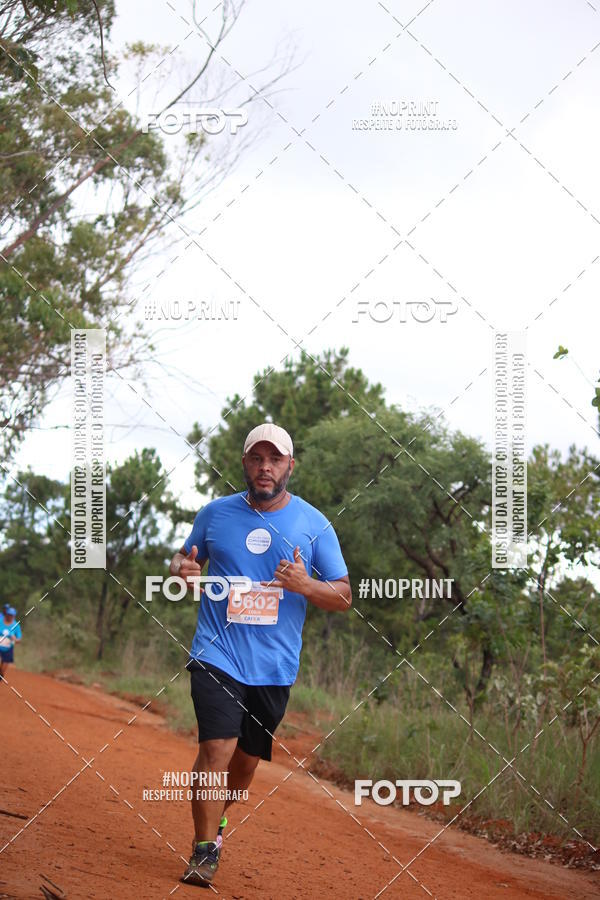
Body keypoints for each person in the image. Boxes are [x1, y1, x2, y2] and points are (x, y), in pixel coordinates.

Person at [169, 423, 352, 886]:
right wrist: (181, 570)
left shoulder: (314, 524)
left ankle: (219, 819)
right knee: (217, 747)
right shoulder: (215, 514)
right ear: (245, 463)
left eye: (275, 459)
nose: (265, 467)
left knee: (244, 766)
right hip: (218, 652)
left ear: (291, 465)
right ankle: (204, 850)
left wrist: (305, 585)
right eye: (257, 458)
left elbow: (344, 595)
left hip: (274, 665)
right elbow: (185, 562)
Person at [0, 606, 22, 680]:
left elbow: (19, 639)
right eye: (9, 614)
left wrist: (15, 639)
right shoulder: (0, 621)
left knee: (2, 670)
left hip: (8, 648)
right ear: (6, 614)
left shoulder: (16, 626)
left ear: (14, 616)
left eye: (11, 615)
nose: (9, 616)